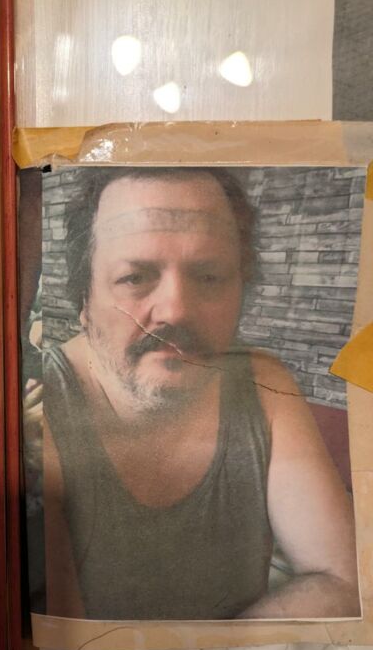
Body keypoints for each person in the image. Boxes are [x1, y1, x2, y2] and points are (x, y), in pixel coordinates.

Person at [40, 166, 360, 621]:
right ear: (84, 301)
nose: (175, 310)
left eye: (209, 276)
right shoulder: (41, 401)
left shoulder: (265, 387)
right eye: (134, 277)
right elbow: (66, 639)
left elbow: (343, 580)